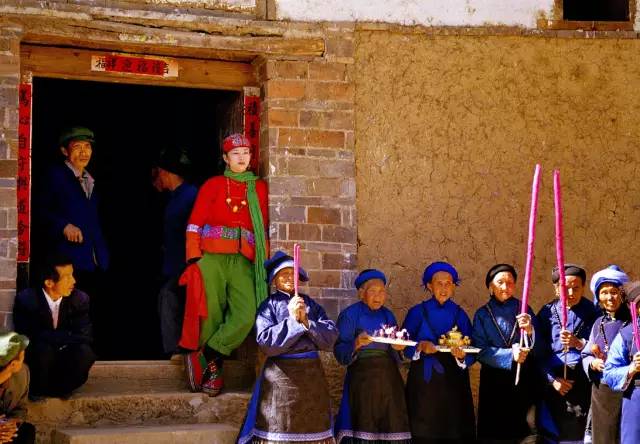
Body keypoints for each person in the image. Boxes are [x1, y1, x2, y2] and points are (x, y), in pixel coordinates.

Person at [184, 133, 268, 396]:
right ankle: (214, 371)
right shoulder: (213, 185)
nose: (241, 158)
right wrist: (195, 257)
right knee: (211, 314)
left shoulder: (260, 188)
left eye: (246, 153)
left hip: (244, 259)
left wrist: (264, 262)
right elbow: (195, 222)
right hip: (211, 257)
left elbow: (265, 227)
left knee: (247, 314)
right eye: (235, 153)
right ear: (225, 158)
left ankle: (206, 354)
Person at [237, 251, 338, 444]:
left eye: (293, 274)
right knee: (281, 428)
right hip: (280, 379)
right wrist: (293, 322)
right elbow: (266, 343)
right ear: (274, 280)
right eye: (284, 274)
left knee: (313, 428)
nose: (290, 278)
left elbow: (331, 337)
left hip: (312, 378)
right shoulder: (268, 306)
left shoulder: (310, 305)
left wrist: (307, 322)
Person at [33, 126, 108, 355]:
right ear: (65, 151)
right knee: (68, 310)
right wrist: (63, 225)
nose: (84, 152)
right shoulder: (56, 176)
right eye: (77, 147)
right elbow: (39, 210)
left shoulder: (89, 179)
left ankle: (86, 354)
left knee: (88, 309)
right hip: (67, 260)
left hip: (91, 258)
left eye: (87, 147)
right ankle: (68, 356)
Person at [334, 269, 411, 444]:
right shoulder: (349, 315)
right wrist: (356, 344)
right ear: (362, 293)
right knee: (363, 421)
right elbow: (339, 349)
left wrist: (399, 348)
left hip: (389, 379)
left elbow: (395, 347)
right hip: (362, 379)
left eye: (382, 291)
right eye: (373, 291)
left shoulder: (388, 315)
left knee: (391, 421)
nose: (378, 296)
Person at [401, 261, 475, 443]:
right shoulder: (417, 313)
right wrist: (419, 347)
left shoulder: (460, 314)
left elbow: (472, 349)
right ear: (429, 286)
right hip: (424, 382)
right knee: (423, 430)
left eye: (448, 283)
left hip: (454, 382)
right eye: (439, 283)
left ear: (454, 287)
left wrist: (462, 356)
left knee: (453, 429)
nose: (444, 288)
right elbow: (403, 345)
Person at [13, 254, 96, 399]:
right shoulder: (27, 300)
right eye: (67, 277)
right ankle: (38, 390)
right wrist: (65, 337)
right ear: (49, 283)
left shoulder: (79, 299)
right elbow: (28, 336)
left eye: (72, 275)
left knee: (85, 353)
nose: (74, 281)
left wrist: (51, 338)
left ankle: (61, 390)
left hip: (65, 355)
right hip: (40, 358)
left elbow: (84, 335)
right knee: (41, 350)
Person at [472, 263, 538, 444]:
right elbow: (479, 350)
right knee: (495, 433)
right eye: (500, 282)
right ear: (490, 287)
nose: (505, 287)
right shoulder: (482, 314)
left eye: (510, 283)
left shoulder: (524, 310)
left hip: (523, 378)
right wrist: (509, 355)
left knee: (525, 431)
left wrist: (530, 331)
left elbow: (540, 345)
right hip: (494, 382)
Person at [537, 264, 599, 444]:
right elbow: (538, 352)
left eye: (576, 287)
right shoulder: (546, 313)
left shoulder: (593, 312)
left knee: (580, 430)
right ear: (556, 289)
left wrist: (578, 343)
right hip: (554, 381)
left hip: (583, 379)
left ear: (583, 287)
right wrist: (552, 380)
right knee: (553, 430)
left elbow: (601, 346)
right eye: (565, 288)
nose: (571, 292)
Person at [152, 147, 198, 355]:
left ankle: (178, 353)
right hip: (174, 266)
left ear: (164, 172)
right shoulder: (174, 198)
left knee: (168, 298)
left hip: (186, 265)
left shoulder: (191, 196)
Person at [581, 265, 630, 444]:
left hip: (627, 391)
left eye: (614, 292)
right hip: (602, 393)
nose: (609, 298)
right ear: (598, 297)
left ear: (622, 294)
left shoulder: (632, 323)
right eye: (604, 292)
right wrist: (592, 363)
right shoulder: (598, 323)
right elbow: (586, 353)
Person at [603, 281, 640, 444]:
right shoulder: (627, 335)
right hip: (636, 401)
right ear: (635, 309)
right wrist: (632, 368)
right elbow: (609, 373)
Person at [0, 332, 35, 444]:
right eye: (22, 355)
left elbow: (20, 408)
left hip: (4, 425)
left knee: (26, 431)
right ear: (13, 364)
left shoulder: (22, 373)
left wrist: (11, 425)